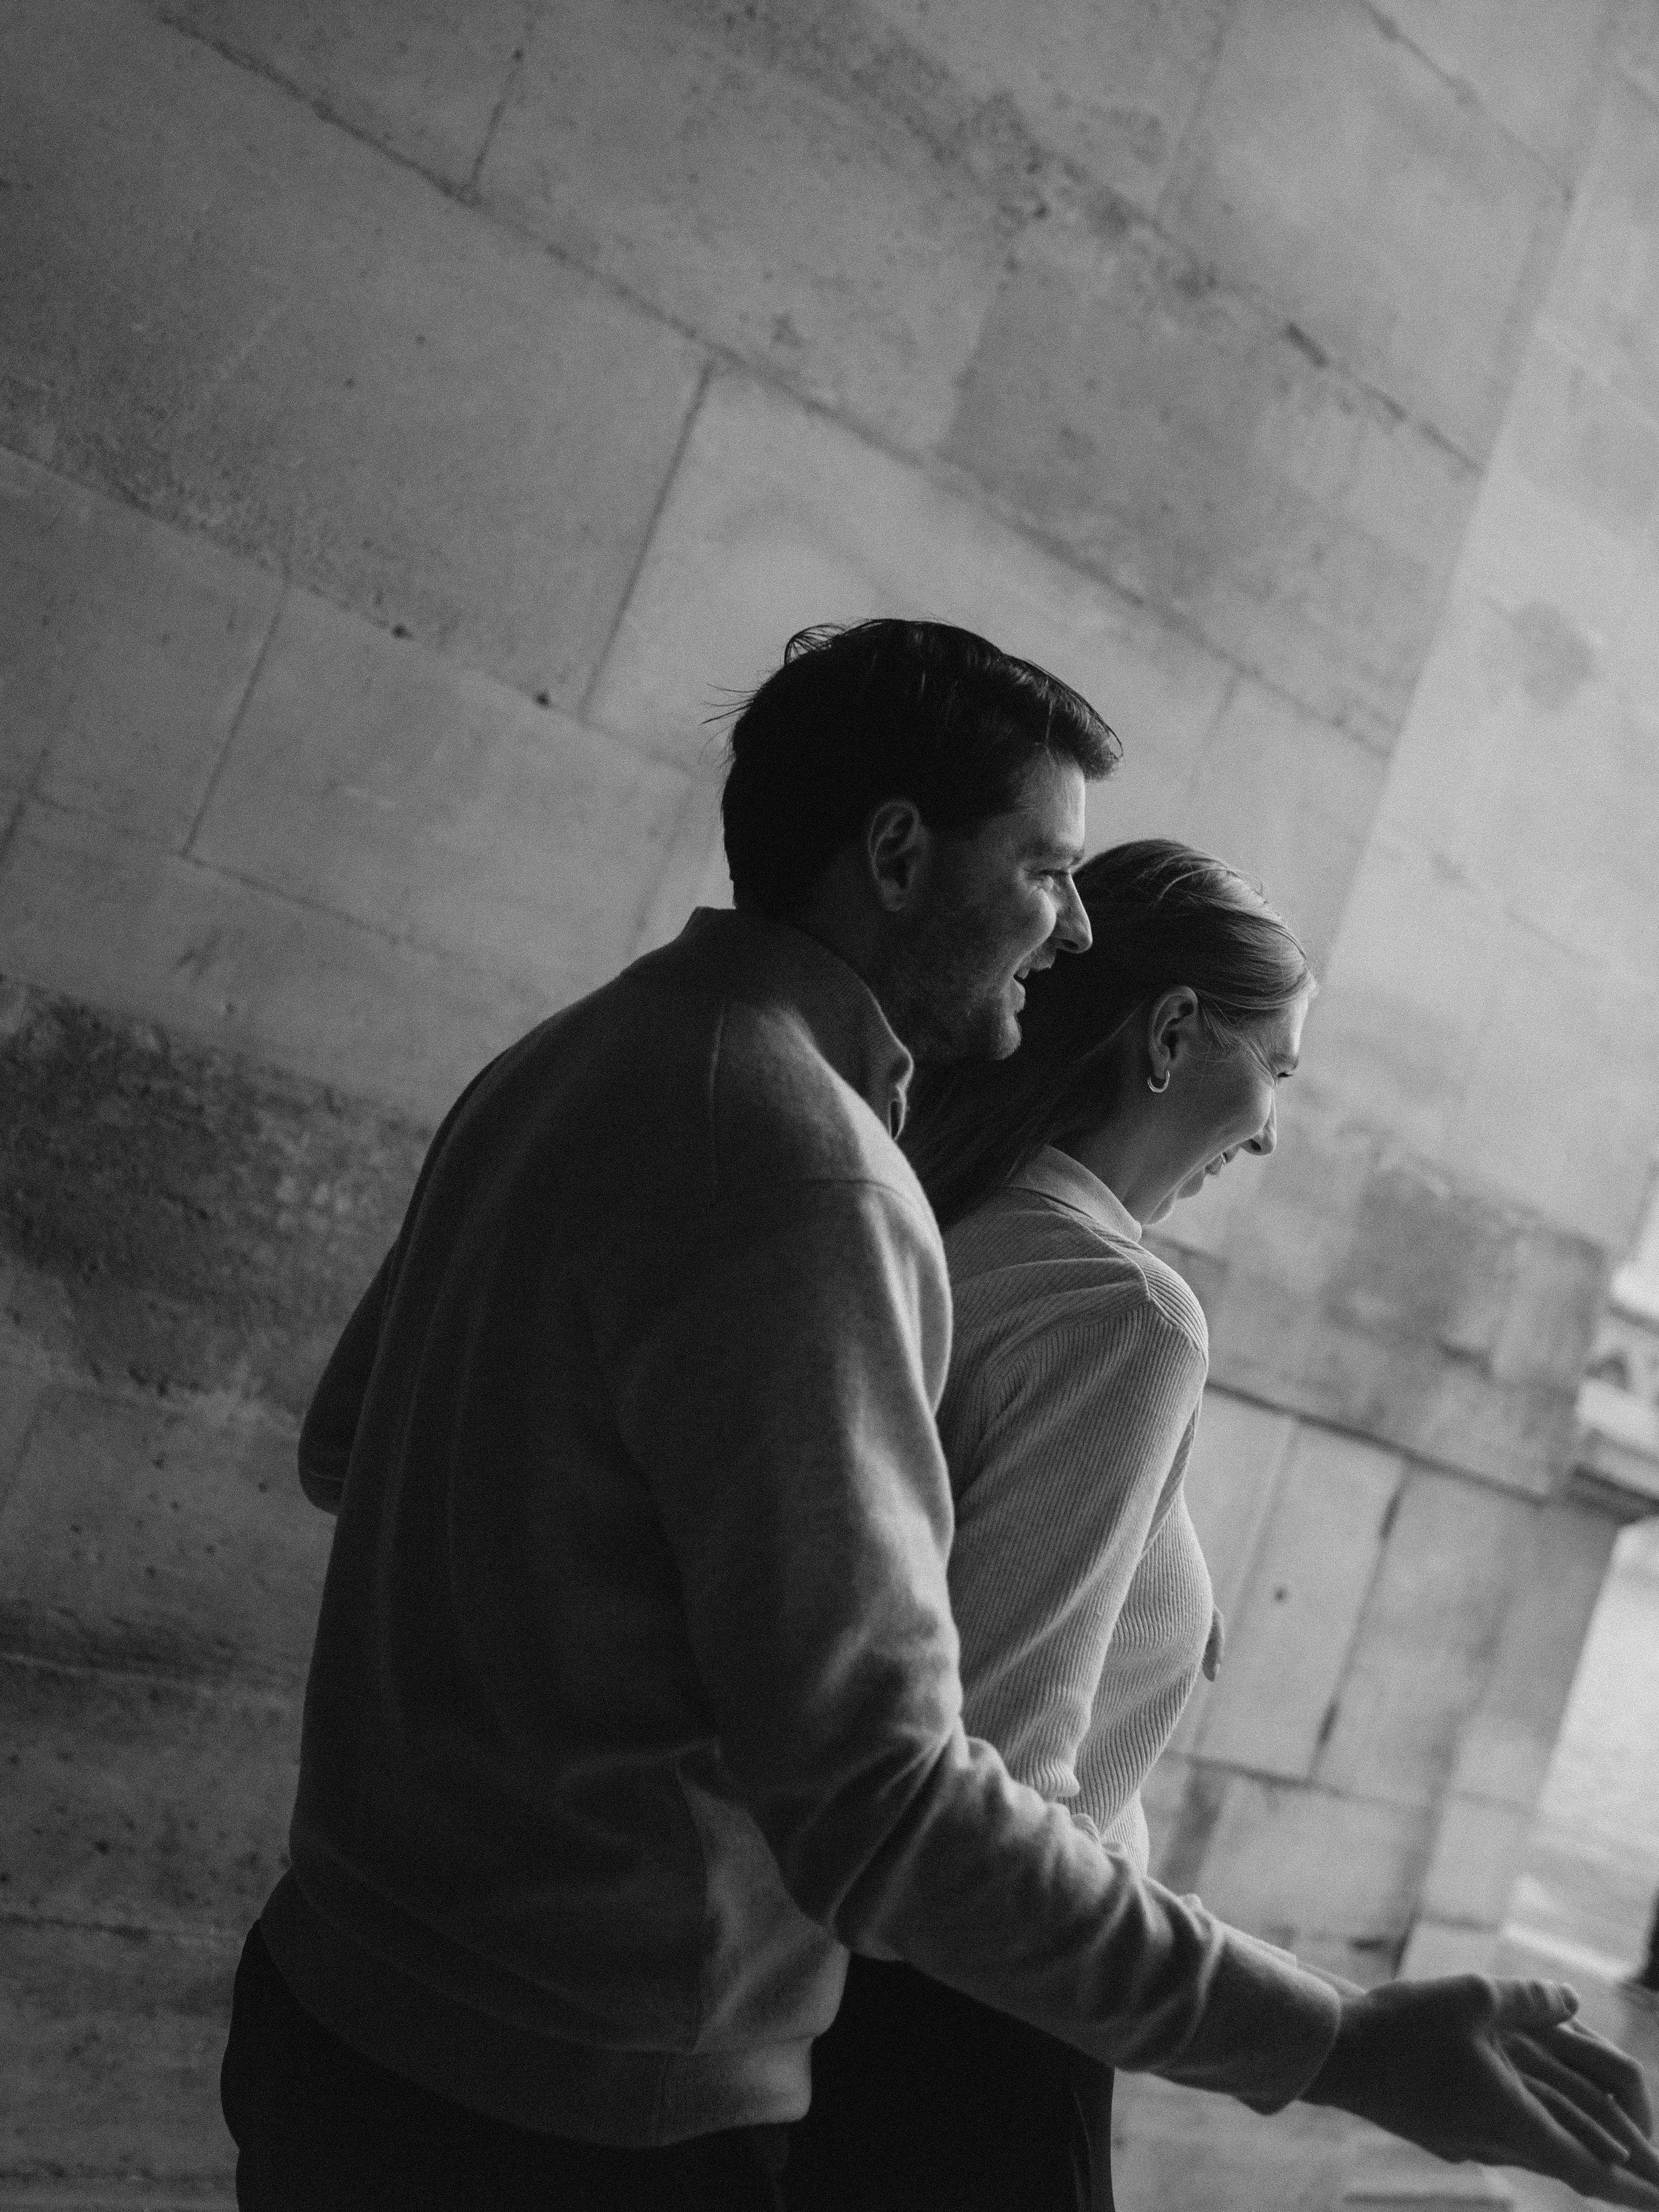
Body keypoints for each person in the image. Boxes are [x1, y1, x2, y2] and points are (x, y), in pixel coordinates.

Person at [218, 621, 1658, 2211]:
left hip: (332, 1997)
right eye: (1045, 869)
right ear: (898, 852)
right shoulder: (810, 1173)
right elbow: (886, 1795)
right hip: (564, 2106)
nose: (1067, 929)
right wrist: (1334, 2037)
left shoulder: (567, 1053)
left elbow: (347, 1448)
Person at [786, 840, 1659, 2212]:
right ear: (1174, 1031)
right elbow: (999, 1789)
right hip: (970, 2043)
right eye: (1278, 1073)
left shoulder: (929, 1220)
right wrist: (1328, 2031)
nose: (1265, 1131)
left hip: (822, 1998)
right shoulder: (1116, 1307)